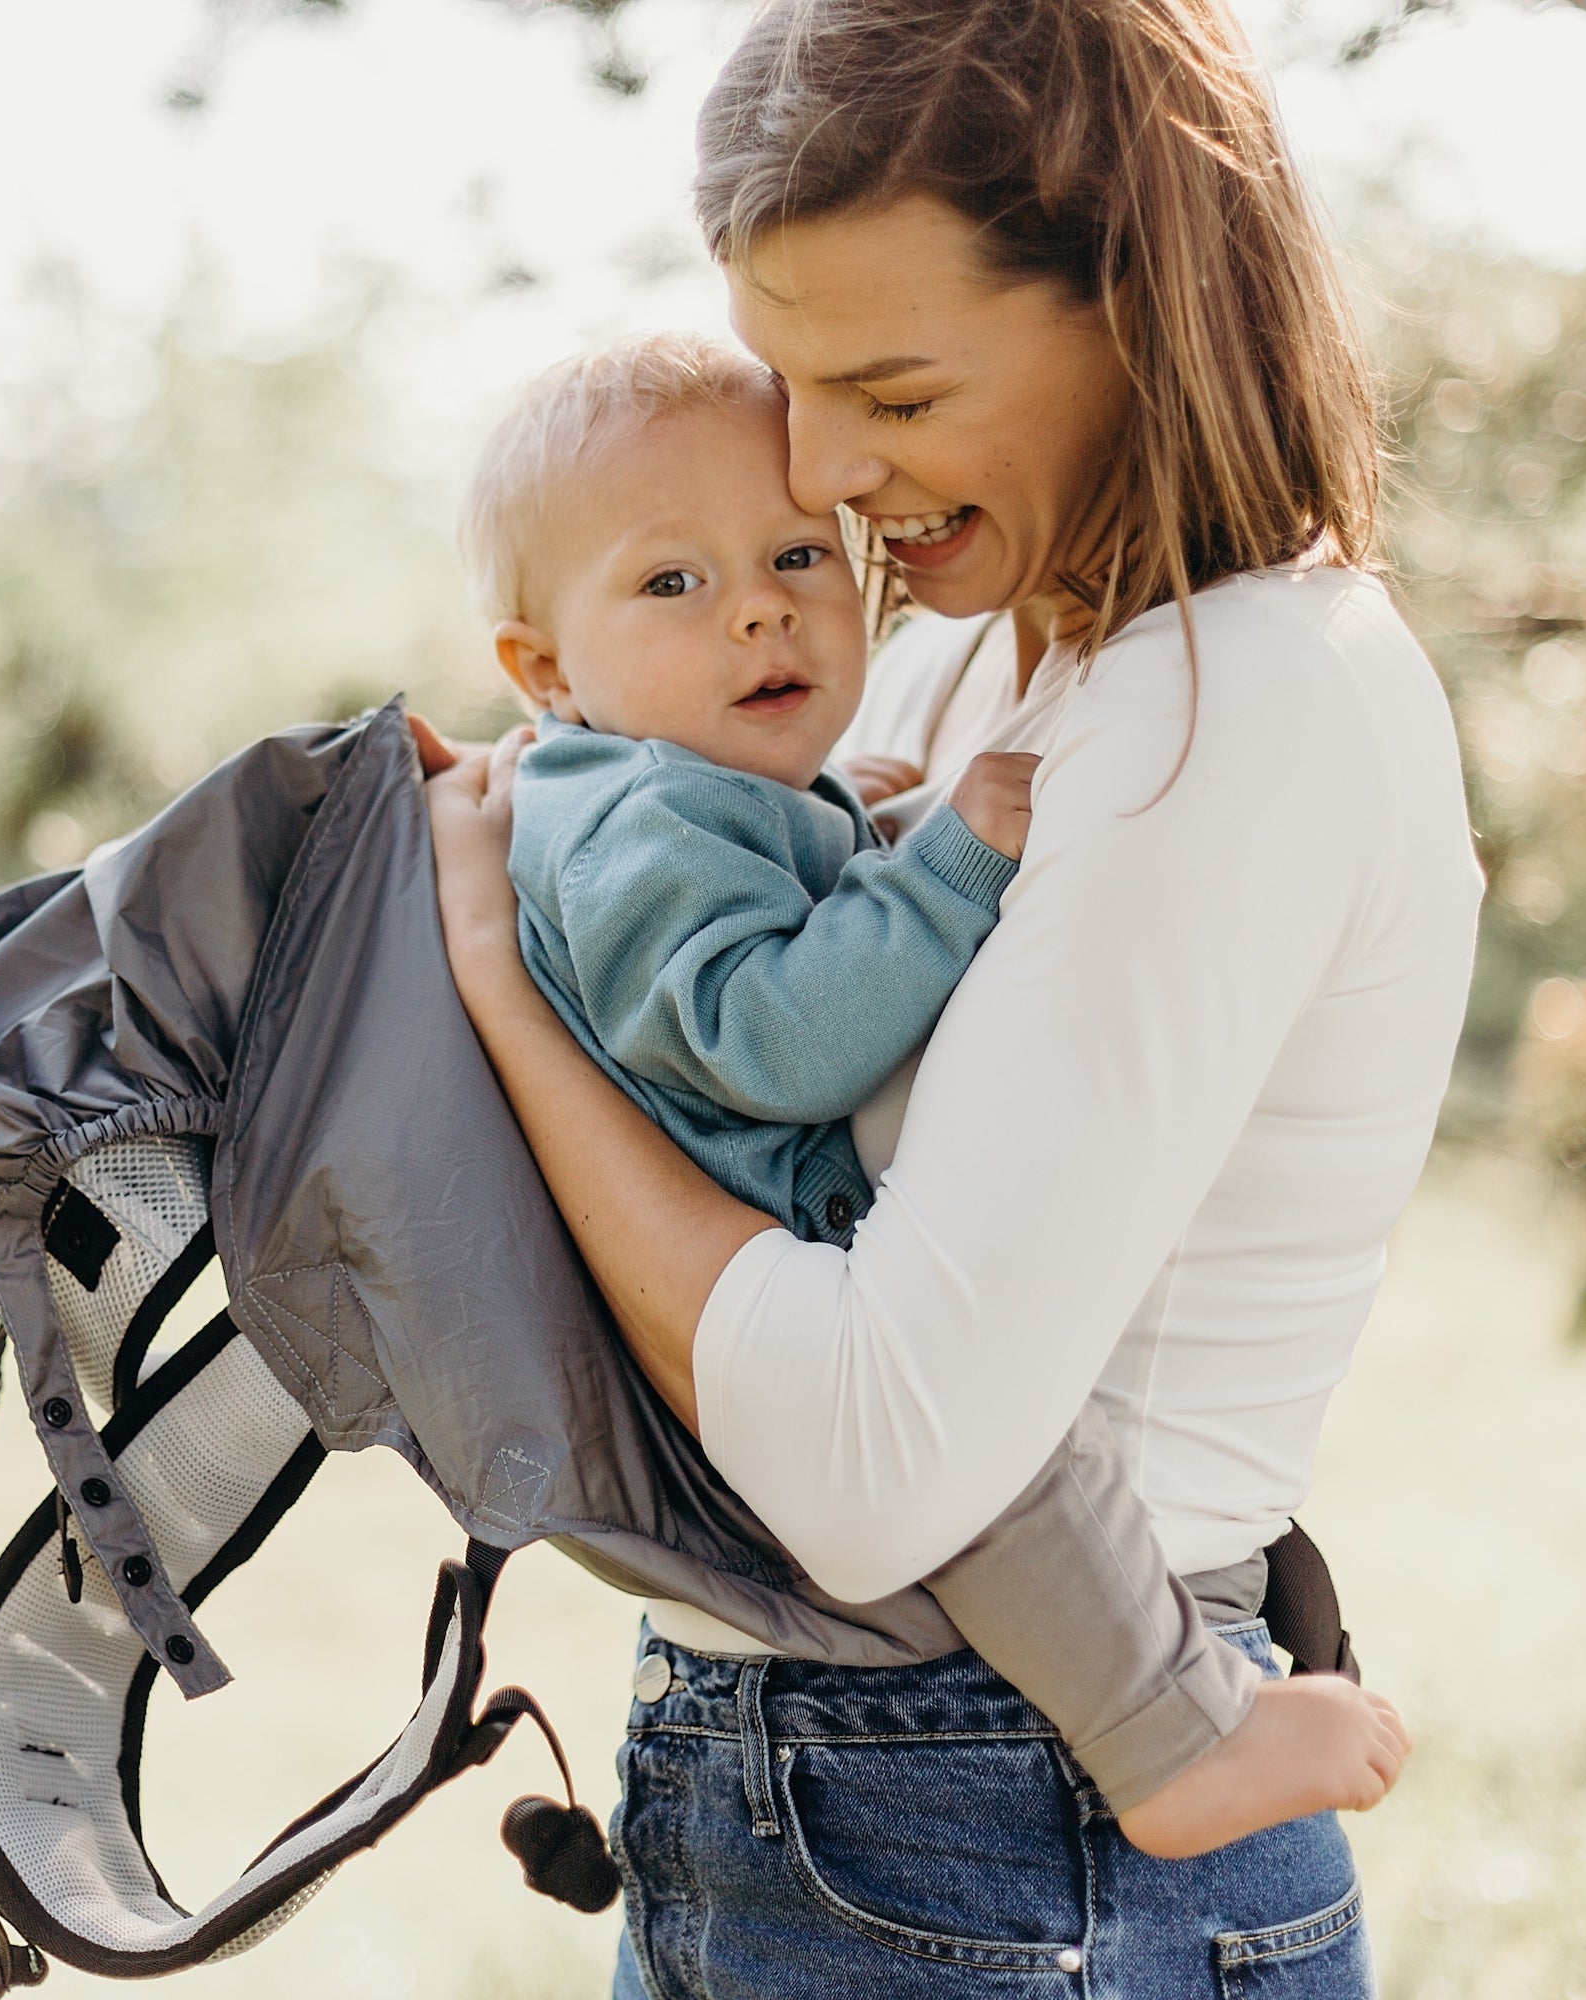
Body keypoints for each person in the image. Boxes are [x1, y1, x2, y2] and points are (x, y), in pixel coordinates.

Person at [418, 0, 1483, 1992]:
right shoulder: (939, 683)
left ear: (1133, 308)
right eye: (790, 382)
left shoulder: (1230, 699)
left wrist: (502, 995)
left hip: (1027, 1819)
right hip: (805, 1788)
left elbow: (870, 1460)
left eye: (890, 388)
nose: (820, 470)